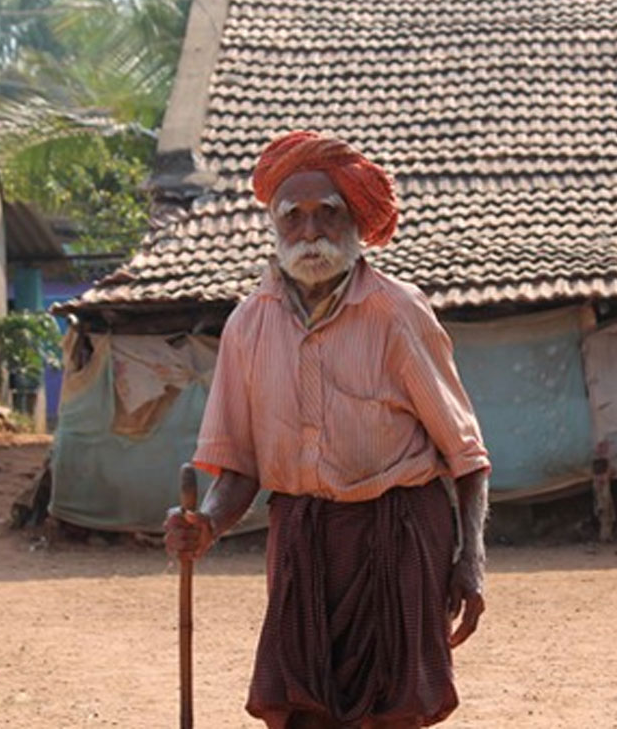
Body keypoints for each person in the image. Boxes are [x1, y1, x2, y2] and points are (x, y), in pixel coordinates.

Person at [165, 130, 490, 729]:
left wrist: (471, 559)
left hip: (400, 533)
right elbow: (238, 466)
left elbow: (465, 455)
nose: (310, 231)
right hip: (303, 540)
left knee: (394, 713)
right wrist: (206, 523)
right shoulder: (246, 327)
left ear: (355, 224)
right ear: (274, 226)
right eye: (294, 217)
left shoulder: (398, 312)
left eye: (327, 214)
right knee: (298, 711)